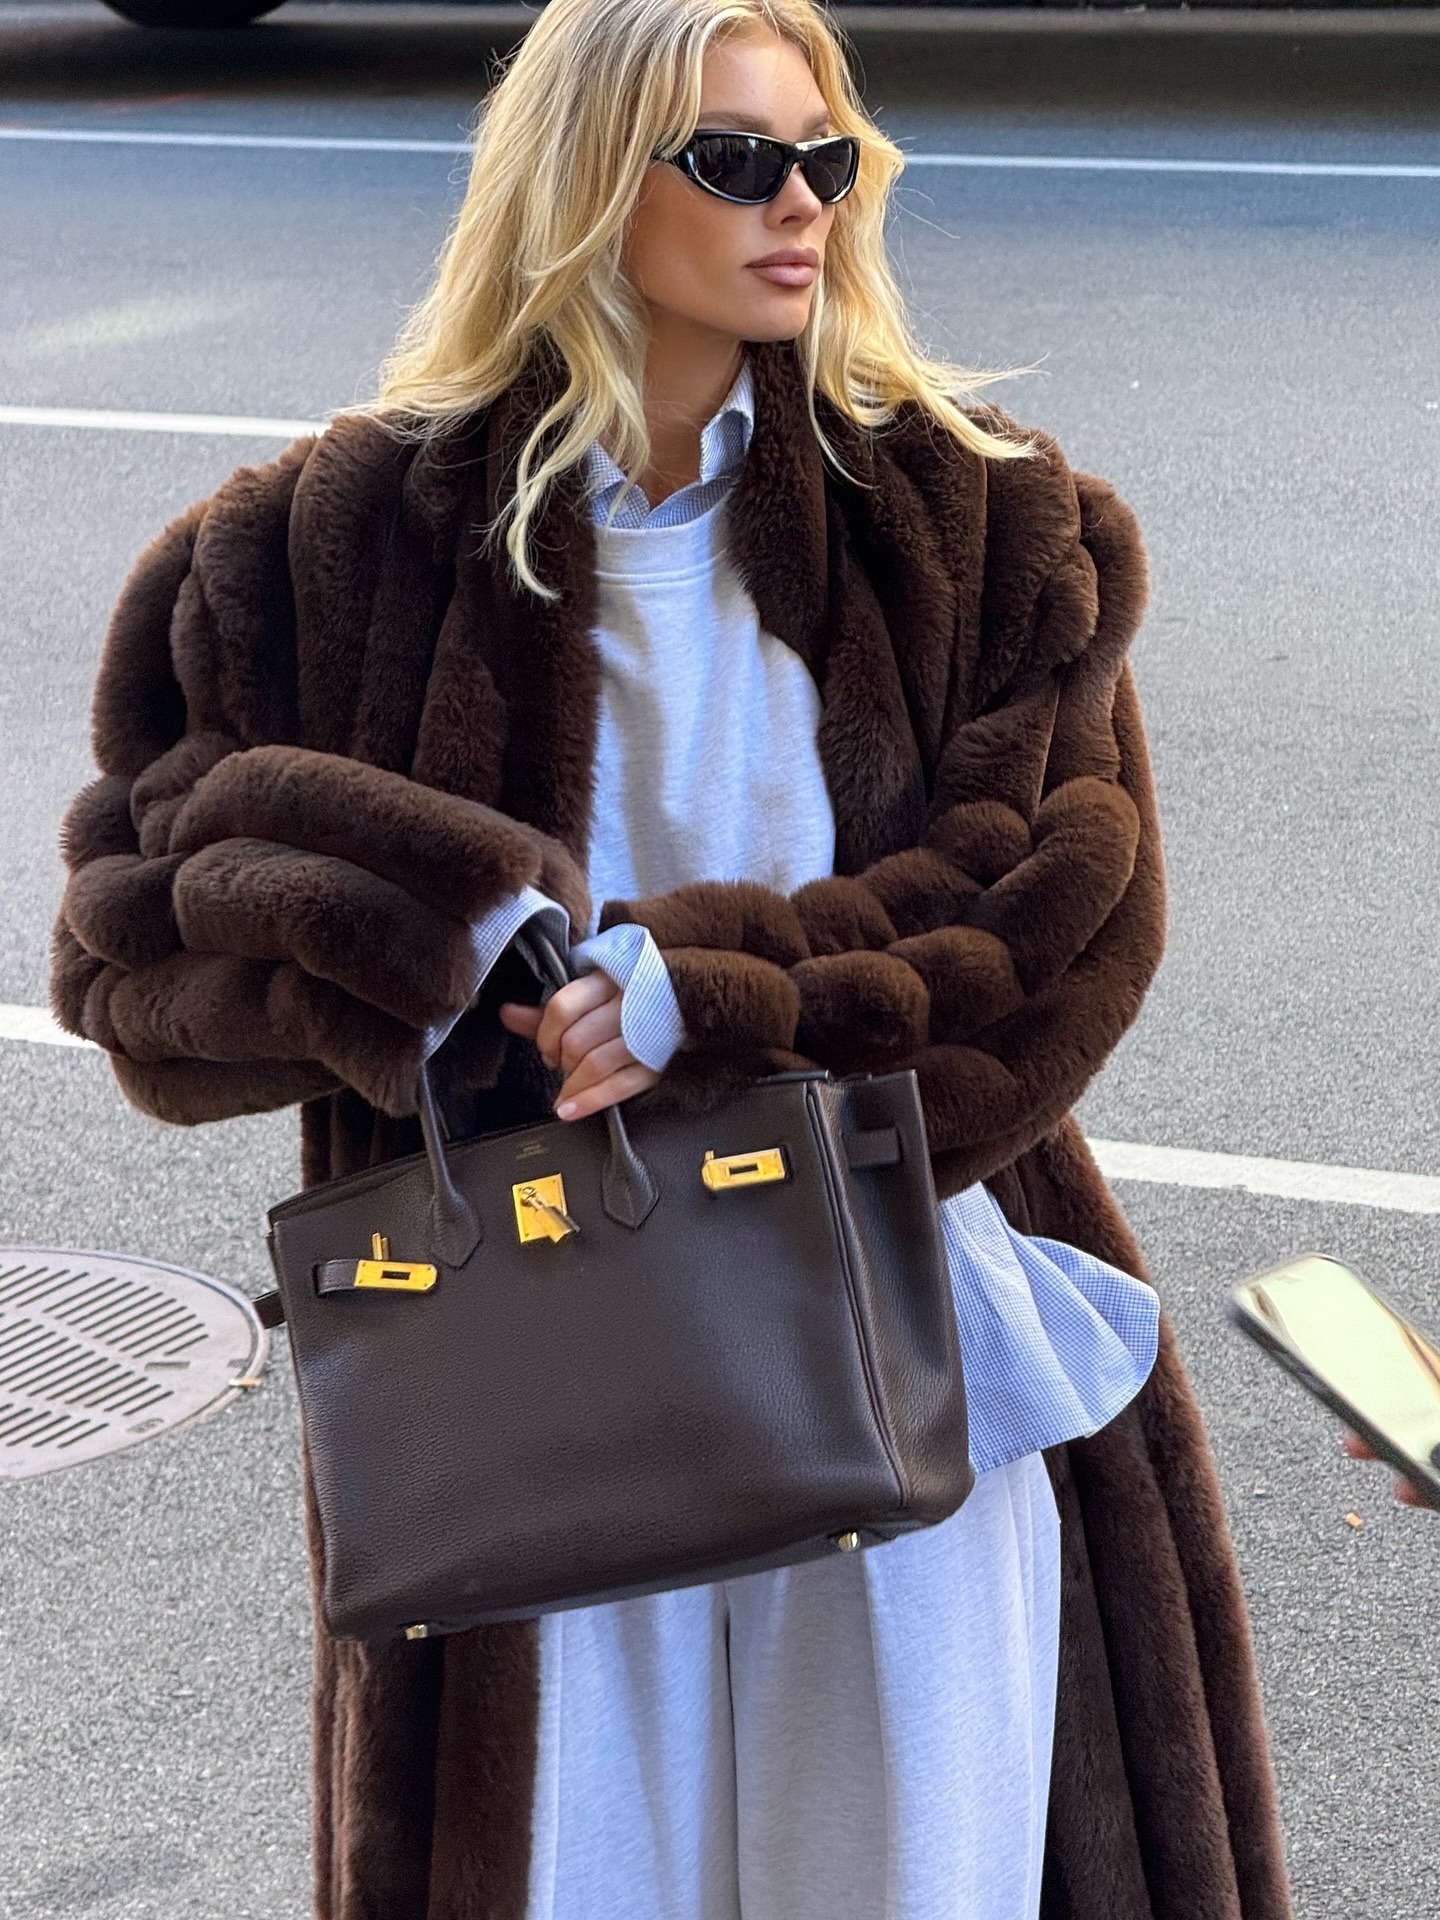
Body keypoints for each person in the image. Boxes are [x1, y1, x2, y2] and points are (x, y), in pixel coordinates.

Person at [51, 0, 1293, 1914]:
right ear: (581, 181)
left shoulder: (980, 516)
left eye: (830, 157)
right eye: (736, 159)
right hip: (537, 1378)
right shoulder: (330, 546)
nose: (801, 203)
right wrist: (447, 931)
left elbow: (1063, 907)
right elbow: (137, 929)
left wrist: (710, 1003)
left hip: (900, 1358)